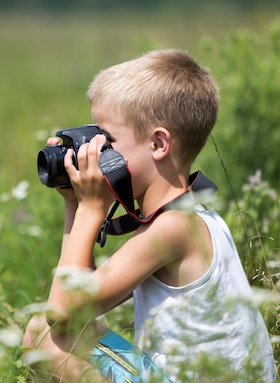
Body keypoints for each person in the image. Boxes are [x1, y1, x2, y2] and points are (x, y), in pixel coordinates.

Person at [22, 49, 275, 382]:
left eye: (106, 140)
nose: (95, 152)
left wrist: (90, 208)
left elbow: (61, 311)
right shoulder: (192, 216)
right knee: (51, 329)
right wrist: (74, 202)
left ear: (159, 143)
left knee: (44, 337)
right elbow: (81, 297)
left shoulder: (173, 228)